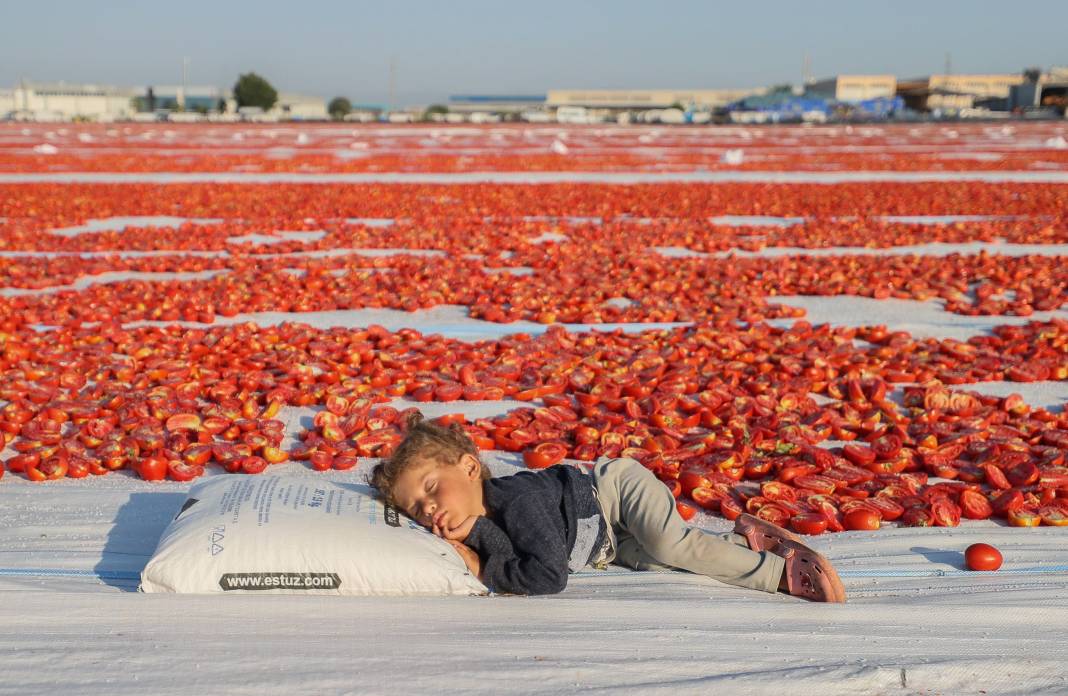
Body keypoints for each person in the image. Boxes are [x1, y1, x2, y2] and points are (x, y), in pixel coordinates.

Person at [370, 413, 845, 602]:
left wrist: (481, 558)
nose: (429, 509)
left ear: (471, 468)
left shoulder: (515, 503)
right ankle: (744, 541)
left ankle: (777, 573)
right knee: (660, 562)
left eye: (432, 488)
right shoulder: (484, 518)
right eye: (416, 509)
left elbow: (547, 577)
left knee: (669, 542)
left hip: (614, 490)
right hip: (605, 542)